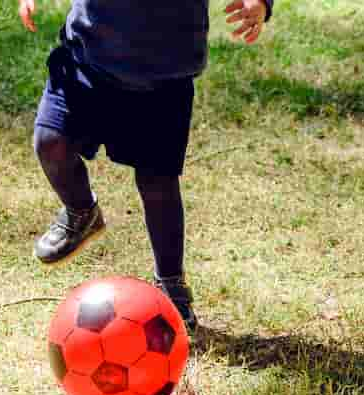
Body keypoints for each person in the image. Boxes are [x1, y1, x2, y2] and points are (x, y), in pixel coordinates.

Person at [18, 0, 273, 330]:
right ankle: (81, 211)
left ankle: (170, 282)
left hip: (164, 76)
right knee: (50, 141)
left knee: (158, 184)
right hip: (86, 55)